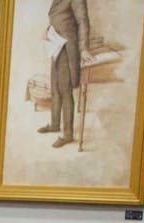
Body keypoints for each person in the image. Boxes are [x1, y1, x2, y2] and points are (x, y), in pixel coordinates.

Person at [40, 0, 93, 149]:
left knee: (65, 90)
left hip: (66, 47)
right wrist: (48, 29)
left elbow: (82, 21)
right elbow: (60, 18)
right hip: (55, 45)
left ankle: (68, 134)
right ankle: (55, 124)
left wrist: (83, 49)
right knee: (55, 89)